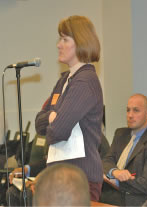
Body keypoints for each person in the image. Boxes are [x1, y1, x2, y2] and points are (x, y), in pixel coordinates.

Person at [35, 15, 103, 201]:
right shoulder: (65, 80)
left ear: (81, 42)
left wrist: (54, 120)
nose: (59, 44)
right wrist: (52, 116)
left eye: (65, 39)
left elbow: (57, 131)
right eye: (60, 39)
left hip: (80, 179)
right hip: (61, 176)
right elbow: (39, 123)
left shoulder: (85, 81)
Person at [100, 93, 147, 206]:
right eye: (128, 110)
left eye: (136, 110)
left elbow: (146, 184)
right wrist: (115, 172)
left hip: (132, 199)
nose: (130, 115)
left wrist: (115, 180)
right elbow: (107, 160)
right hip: (108, 193)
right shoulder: (120, 134)